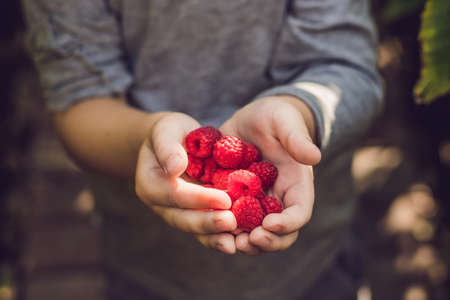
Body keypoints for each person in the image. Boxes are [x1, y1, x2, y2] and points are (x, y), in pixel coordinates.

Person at [22, 0, 383, 299]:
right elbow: (79, 100)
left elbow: (349, 67)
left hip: (313, 259)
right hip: (149, 264)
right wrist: (145, 137)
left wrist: (299, 111)